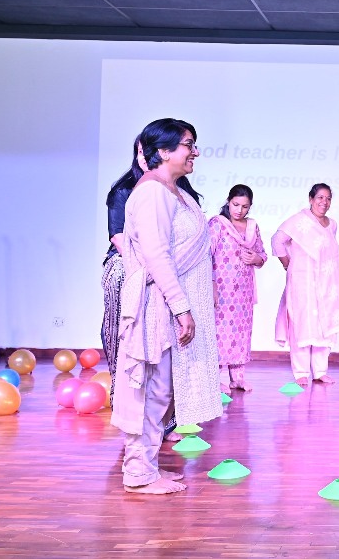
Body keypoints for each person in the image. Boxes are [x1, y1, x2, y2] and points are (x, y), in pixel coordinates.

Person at [111, 118, 223, 495]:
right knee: (153, 390)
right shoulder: (152, 193)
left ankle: (148, 467)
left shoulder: (174, 191)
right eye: (189, 144)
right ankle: (138, 473)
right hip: (159, 304)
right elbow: (157, 256)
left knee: (164, 391)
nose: (195, 152)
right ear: (163, 151)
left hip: (172, 302)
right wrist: (181, 307)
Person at [102, 137, 201, 410]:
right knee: (125, 337)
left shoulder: (180, 189)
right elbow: (119, 237)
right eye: (139, 151)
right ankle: (126, 401)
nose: (143, 156)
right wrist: (147, 269)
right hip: (128, 267)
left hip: (168, 270)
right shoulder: (127, 189)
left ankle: (167, 415)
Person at [272, 183, 339, 386]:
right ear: (311, 199)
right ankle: (300, 372)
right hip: (303, 281)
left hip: (326, 283)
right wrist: (287, 264)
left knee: (323, 324)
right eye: (320, 197)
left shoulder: (332, 224)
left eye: (328, 198)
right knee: (302, 323)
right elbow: (277, 240)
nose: (324, 202)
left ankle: (320, 371)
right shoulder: (298, 221)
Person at [209, 184, 267, 393]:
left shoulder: (252, 227)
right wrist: (211, 284)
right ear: (228, 201)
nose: (239, 210)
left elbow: (262, 254)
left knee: (241, 332)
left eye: (244, 206)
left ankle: (238, 378)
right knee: (219, 332)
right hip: (221, 289)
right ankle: (214, 379)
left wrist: (256, 258)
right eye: (235, 204)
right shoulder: (217, 224)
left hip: (244, 291)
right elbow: (206, 255)